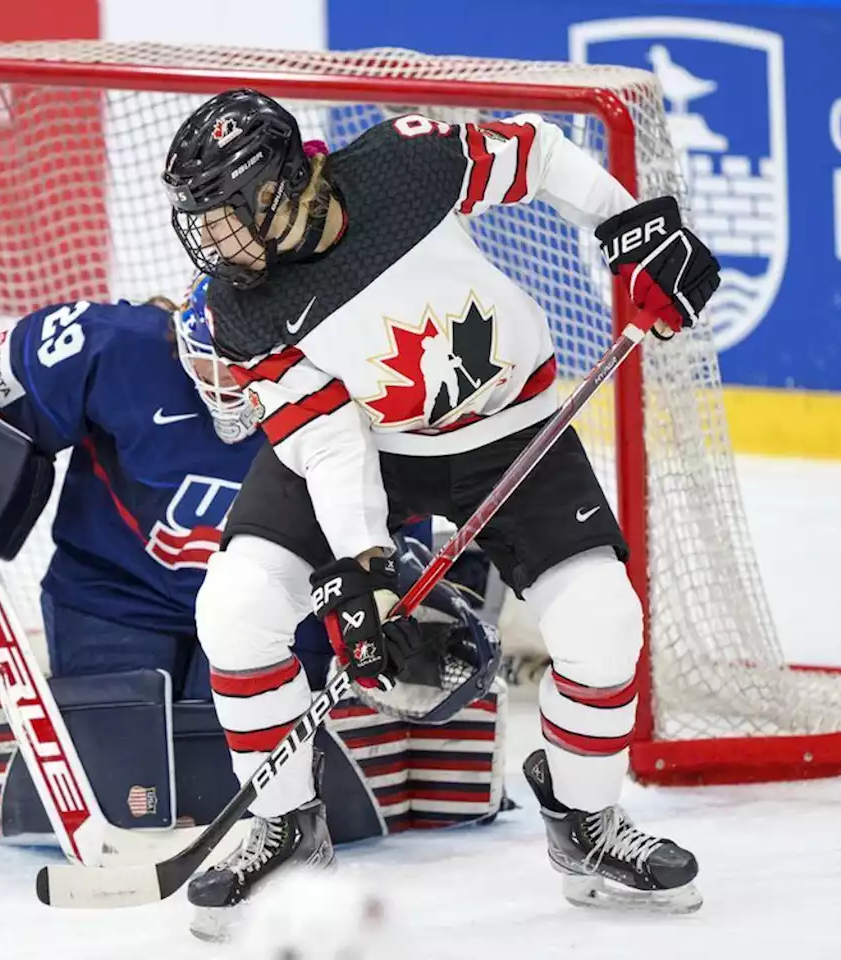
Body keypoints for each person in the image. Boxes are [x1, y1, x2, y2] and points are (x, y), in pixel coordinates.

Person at [162, 89, 720, 925]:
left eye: (223, 215)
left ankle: (586, 820)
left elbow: (535, 151)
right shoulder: (243, 309)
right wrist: (367, 568)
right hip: (364, 447)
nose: (211, 242)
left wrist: (630, 228)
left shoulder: (402, 162)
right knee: (236, 603)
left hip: (507, 427)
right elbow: (328, 440)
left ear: (274, 187)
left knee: (604, 620)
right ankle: (285, 826)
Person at [0, 281, 508, 850]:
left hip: (282, 609)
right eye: (205, 361)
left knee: (243, 773)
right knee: (117, 764)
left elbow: (384, 535)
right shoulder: (115, 347)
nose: (222, 385)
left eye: (240, 366)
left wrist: (392, 615)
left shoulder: (344, 405)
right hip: (114, 590)